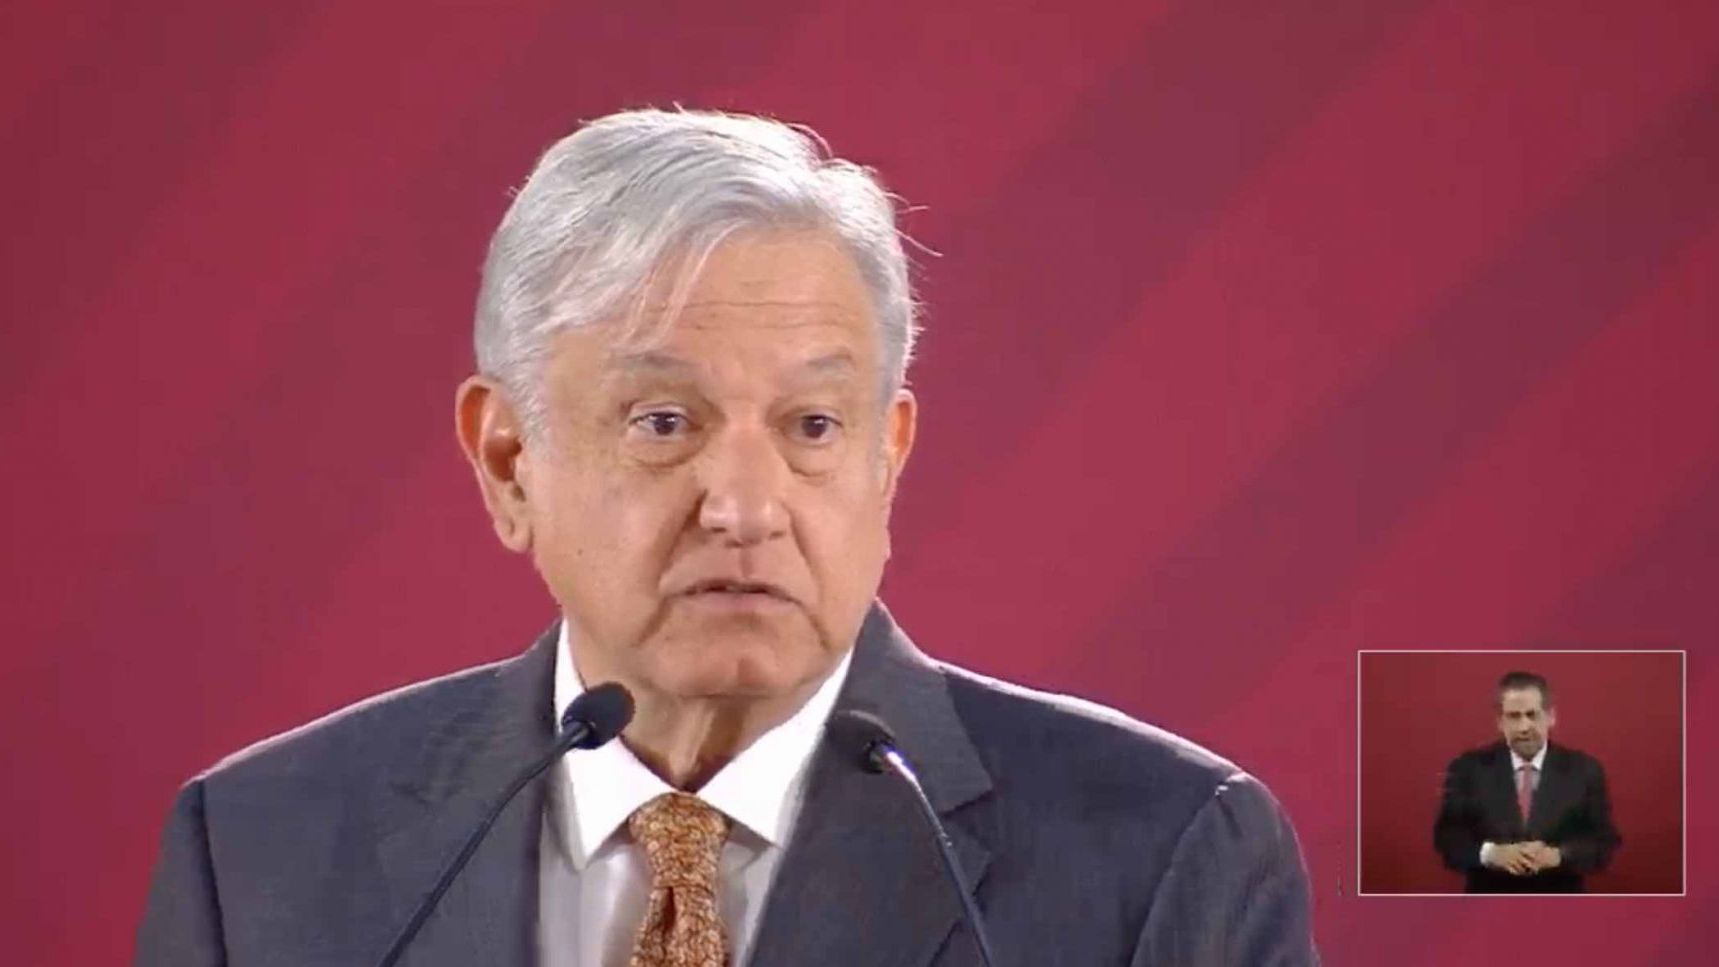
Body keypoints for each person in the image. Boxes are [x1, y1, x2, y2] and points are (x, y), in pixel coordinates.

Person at [136, 108, 1317, 966]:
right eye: (663, 422)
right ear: (507, 460)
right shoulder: (263, 851)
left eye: (813, 425)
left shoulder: (1161, 854)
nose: (747, 507)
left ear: (887, 456)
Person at [1433, 670, 1620, 893]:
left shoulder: (1585, 770)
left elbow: (1604, 842)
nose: (1524, 727)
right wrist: (1491, 854)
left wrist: (1559, 855)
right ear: (1500, 721)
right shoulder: (1467, 769)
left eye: (1532, 715)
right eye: (1514, 716)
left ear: (1551, 717)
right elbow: (1447, 839)